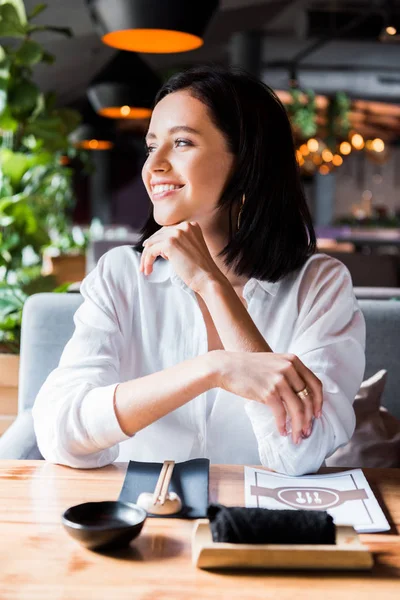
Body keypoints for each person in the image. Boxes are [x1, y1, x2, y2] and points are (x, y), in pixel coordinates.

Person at [32, 66, 365, 475]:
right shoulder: (120, 275)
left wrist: (211, 284)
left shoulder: (319, 285)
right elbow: (59, 433)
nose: (154, 166)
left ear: (245, 161)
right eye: (152, 145)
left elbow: (300, 454)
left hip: (255, 528)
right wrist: (211, 369)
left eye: (182, 142)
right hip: (141, 521)